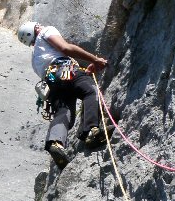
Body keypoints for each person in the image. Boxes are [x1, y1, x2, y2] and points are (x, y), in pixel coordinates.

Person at [17, 21, 112, 168]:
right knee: (90, 90)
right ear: (35, 28)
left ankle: (55, 142)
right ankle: (90, 131)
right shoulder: (46, 31)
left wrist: (83, 71)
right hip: (64, 68)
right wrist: (94, 59)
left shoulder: (35, 58)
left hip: (51, 82)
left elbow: (63, 79)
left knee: (64, 112)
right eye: (38, 25)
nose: (41, 25)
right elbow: (65, 48)